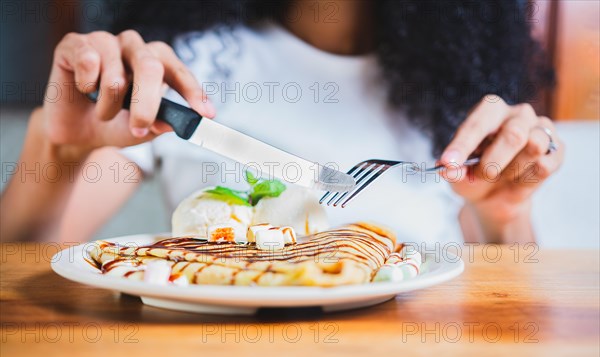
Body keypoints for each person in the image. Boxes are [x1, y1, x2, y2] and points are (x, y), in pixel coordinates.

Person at [0, 0, 564, 244]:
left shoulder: (460, 91)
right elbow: (16, 278)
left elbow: (507, 320)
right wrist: (58, 151)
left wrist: (505, 216)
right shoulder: (175, 69)